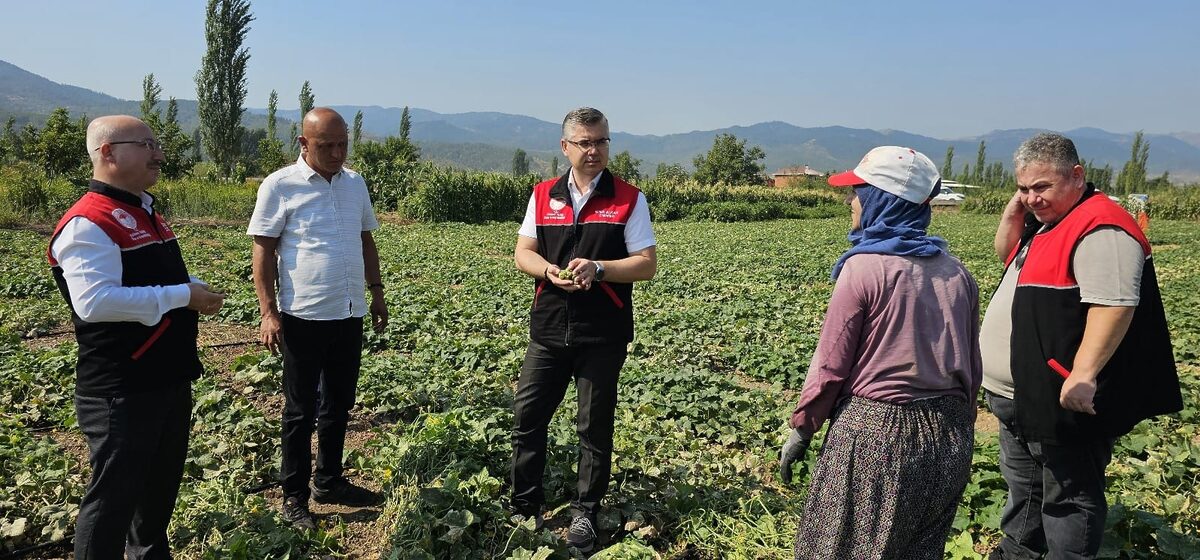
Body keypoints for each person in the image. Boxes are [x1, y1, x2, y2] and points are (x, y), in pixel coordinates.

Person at [980, 133, 1181, 559]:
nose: (1032, 198)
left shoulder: (1101, 226)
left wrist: (1084, 376)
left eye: (1041, 187)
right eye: (1023, 188)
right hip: (1019, 397)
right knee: (1026, 494)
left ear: (1077, 175)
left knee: (1069, 499)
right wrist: (1013, 214)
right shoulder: (1050, 223)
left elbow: (1114, 305)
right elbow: (1005, 256)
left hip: (1062, 398)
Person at [780, 146, 982, 559]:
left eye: (857, 192)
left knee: (838, 548)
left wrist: (802, 429)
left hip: (878, 435)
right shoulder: (956, 271)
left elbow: (830, 366)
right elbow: (971, 368)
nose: (849, 202)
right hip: (950, 436)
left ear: (880, 200)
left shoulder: (865, 267)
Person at [48, 115, 226, 558]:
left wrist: (190, 285)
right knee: (112, 502)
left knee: (156, 495)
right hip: (121, 389)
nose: (159, 154)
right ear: (107, 153)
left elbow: (151, 277)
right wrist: (183, 295)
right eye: (146, 145)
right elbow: (95, 302)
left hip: (165, 378)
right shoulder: (89, 222)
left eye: (156, 144)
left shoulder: (142, 210)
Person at [509, 107, 657, 552]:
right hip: (549, 328)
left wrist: (599, 267)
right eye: (585, 142)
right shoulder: (543, 195)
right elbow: (524, 252)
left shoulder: (629, 198)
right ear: (565, 147)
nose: (594, 150)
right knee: (527, 417)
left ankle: (585, 512)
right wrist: (547, 271)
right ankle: (524, 505)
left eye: (602, 141)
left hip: (602, 332)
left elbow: (646, 264)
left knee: (593, 426)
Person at [248, 107, 388, 530]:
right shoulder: (280, 186)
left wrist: (376, 292)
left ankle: (328, 480)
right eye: (326, 145)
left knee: (340, 403)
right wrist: (268, 312)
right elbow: (263, 251)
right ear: (303, 144)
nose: (337, 152)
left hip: (348, 313)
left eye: (343, 144)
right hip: (303, 315)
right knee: (299, 410)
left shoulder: (354, 183)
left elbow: (366, 240)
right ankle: (294, 497)